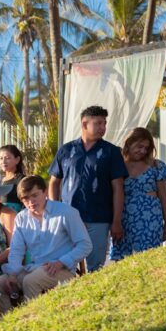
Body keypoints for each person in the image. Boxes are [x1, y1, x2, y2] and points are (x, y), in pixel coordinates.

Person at [49, 105, 128, 271]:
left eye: (104, 123)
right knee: (65, 265)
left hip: (99, 218)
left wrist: (116, 221)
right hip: (68, 217)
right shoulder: (66, 150)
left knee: (95, 266)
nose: (103, 128)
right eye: (98, 123)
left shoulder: (112, 152)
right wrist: (54, 211)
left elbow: (118, 188)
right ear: (85, 124)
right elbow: (54, 182)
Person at [0, 175, 92, 301]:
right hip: (33, 268)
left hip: (62, 269)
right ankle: (10, 320)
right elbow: (16, 250)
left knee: (30, 281)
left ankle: (32, 319)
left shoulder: (65, 212)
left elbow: (85, 245)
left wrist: (61, 262)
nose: (31, 202)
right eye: (26, 198)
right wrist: (12, 274)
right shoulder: (21, 218)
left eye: (35, 195)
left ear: (45, 192)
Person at [110, 128, 166, 261]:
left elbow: (163, 197)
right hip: (123, 219)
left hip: (150, 220)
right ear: (129, 143)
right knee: (121, 262)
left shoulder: (156, 166)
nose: (143, 151)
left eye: (146, 147)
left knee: (148, 259)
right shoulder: (117, 164)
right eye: (140, 146)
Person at [0, 144, 26, 212]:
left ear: (17, 160)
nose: (3, 162)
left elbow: (25, 203)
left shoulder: (22, 180)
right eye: (1, 158)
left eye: (7, 158)